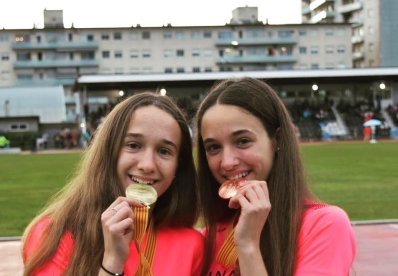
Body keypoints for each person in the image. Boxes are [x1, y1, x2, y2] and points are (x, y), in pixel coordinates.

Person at [22, 92, 203, 275]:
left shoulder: (192, 245)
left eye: (164, 151)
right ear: (109, 151)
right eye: (133, 145)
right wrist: (112, 262)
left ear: (178, 167)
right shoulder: (53, 234)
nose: (147, 165)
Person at [195, 78, 356, 275]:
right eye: (213, 147)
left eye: (243, 141)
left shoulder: (324, 225)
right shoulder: (207, 238)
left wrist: (247, 245)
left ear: (277, 140)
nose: (227, 162)